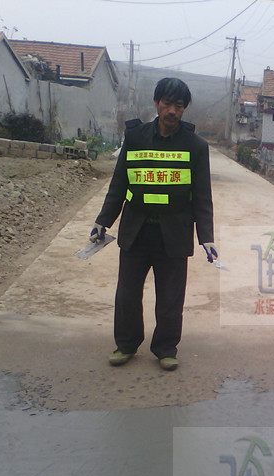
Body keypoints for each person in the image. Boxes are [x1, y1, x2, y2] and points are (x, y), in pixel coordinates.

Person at [89, 77, 215, 371]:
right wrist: (103, 221)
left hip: (175, 232)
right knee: (127, 294)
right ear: (157, 103)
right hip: (136, 230)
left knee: (171, 297)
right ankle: (126, 344)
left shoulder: (195, 146)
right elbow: (119, 184)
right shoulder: (135, 138)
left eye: (179, 106)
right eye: (167, 103)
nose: (172, 111)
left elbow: (202, 196)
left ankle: (166, 348)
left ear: (184, 109)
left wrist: (206, 237)